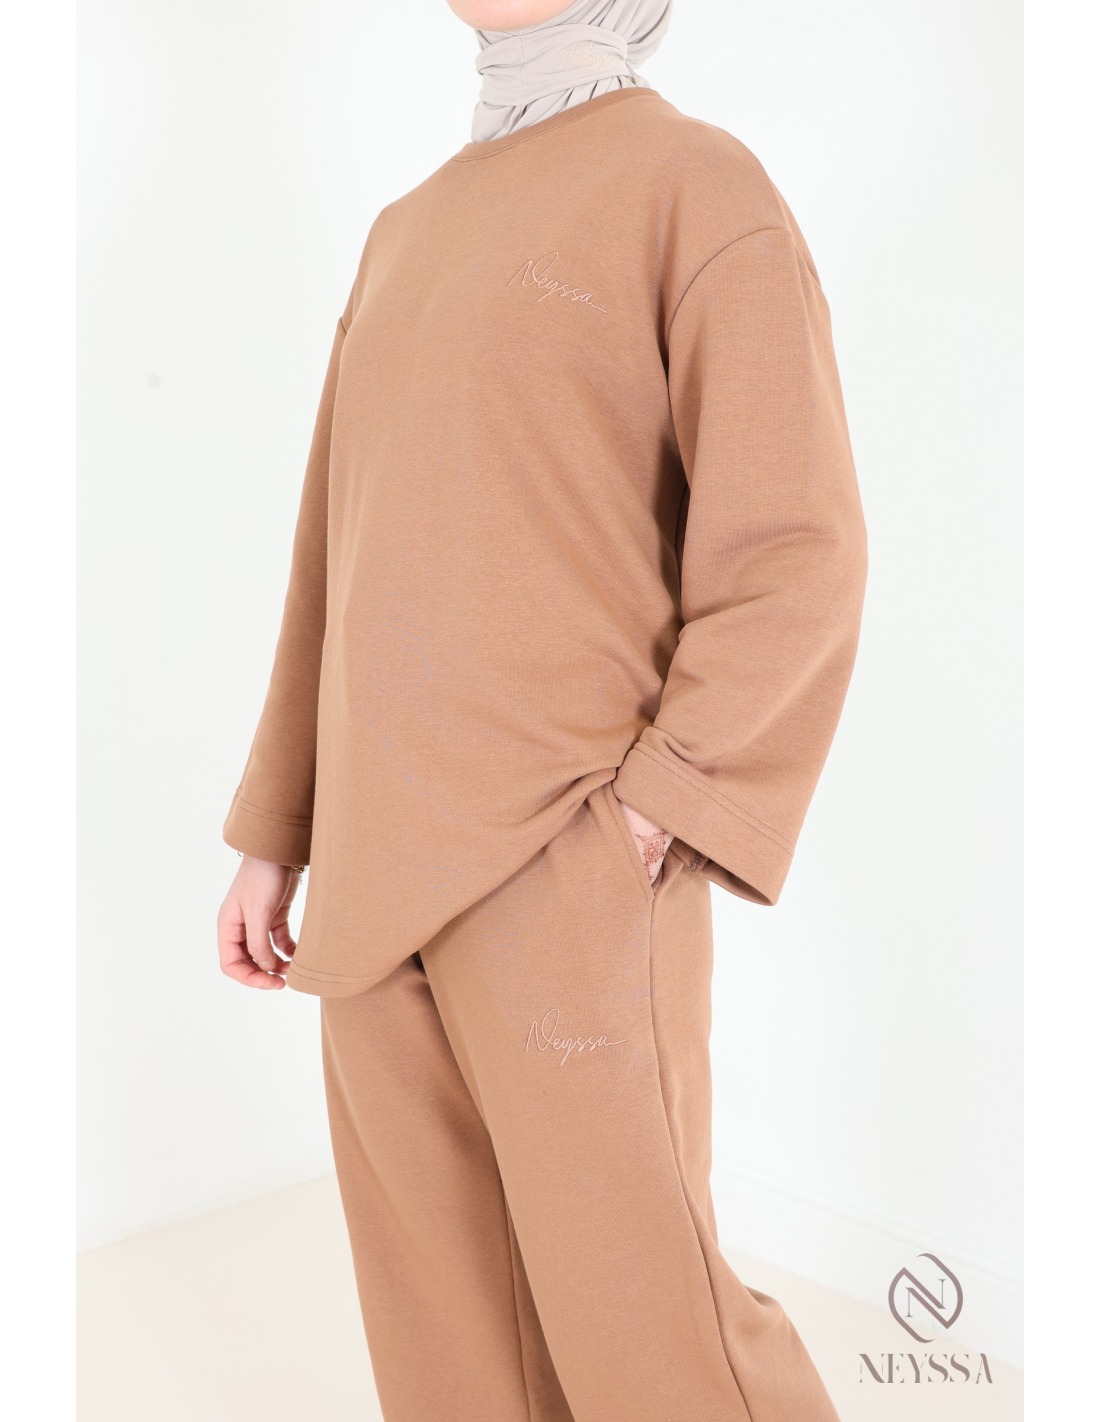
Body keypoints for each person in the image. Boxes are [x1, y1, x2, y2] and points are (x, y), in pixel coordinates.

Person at [216, 1, 867, 1417]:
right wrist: (279, 830)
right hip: (370, 891)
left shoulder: (696, 185)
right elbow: (333, 553)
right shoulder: (400, 233)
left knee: (656, 1340)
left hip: (563, 864)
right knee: (445, 1348)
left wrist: (655, 819)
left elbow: (795, 546)